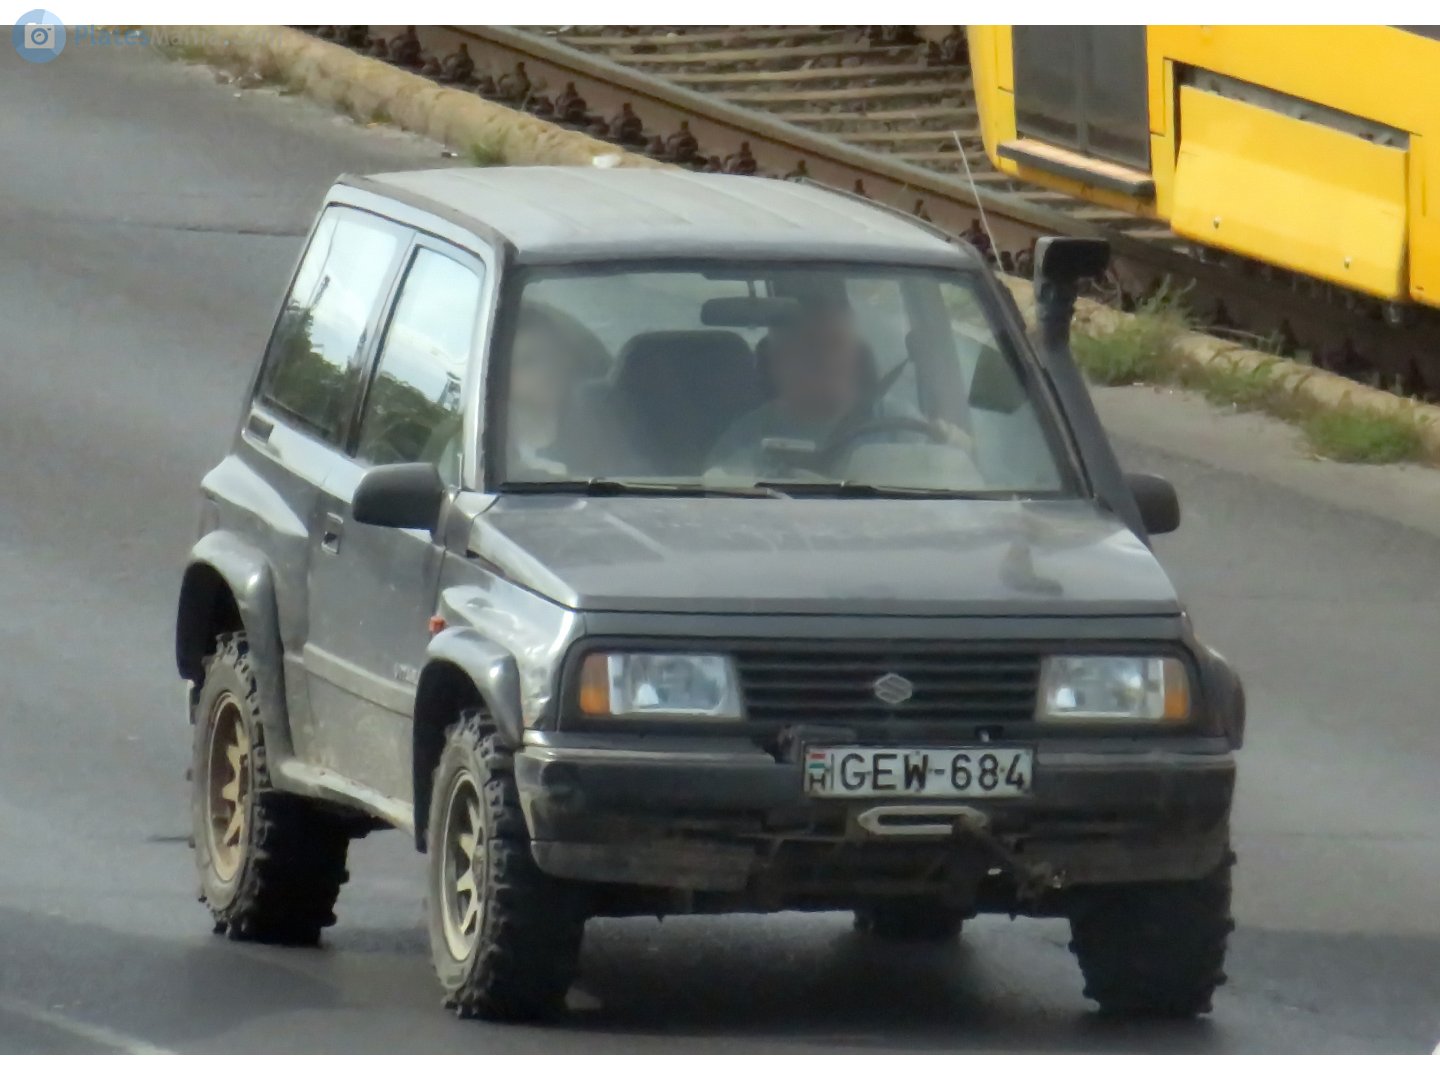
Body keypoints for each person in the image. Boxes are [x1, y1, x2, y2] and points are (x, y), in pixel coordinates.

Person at [707, 298, 956, 475]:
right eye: (809, 346)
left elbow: (949, 490)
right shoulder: (746, 438)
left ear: (856, 355)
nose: (824, 358)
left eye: (835, 344)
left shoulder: (902, 427)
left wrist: (953, 447)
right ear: (778, 361)